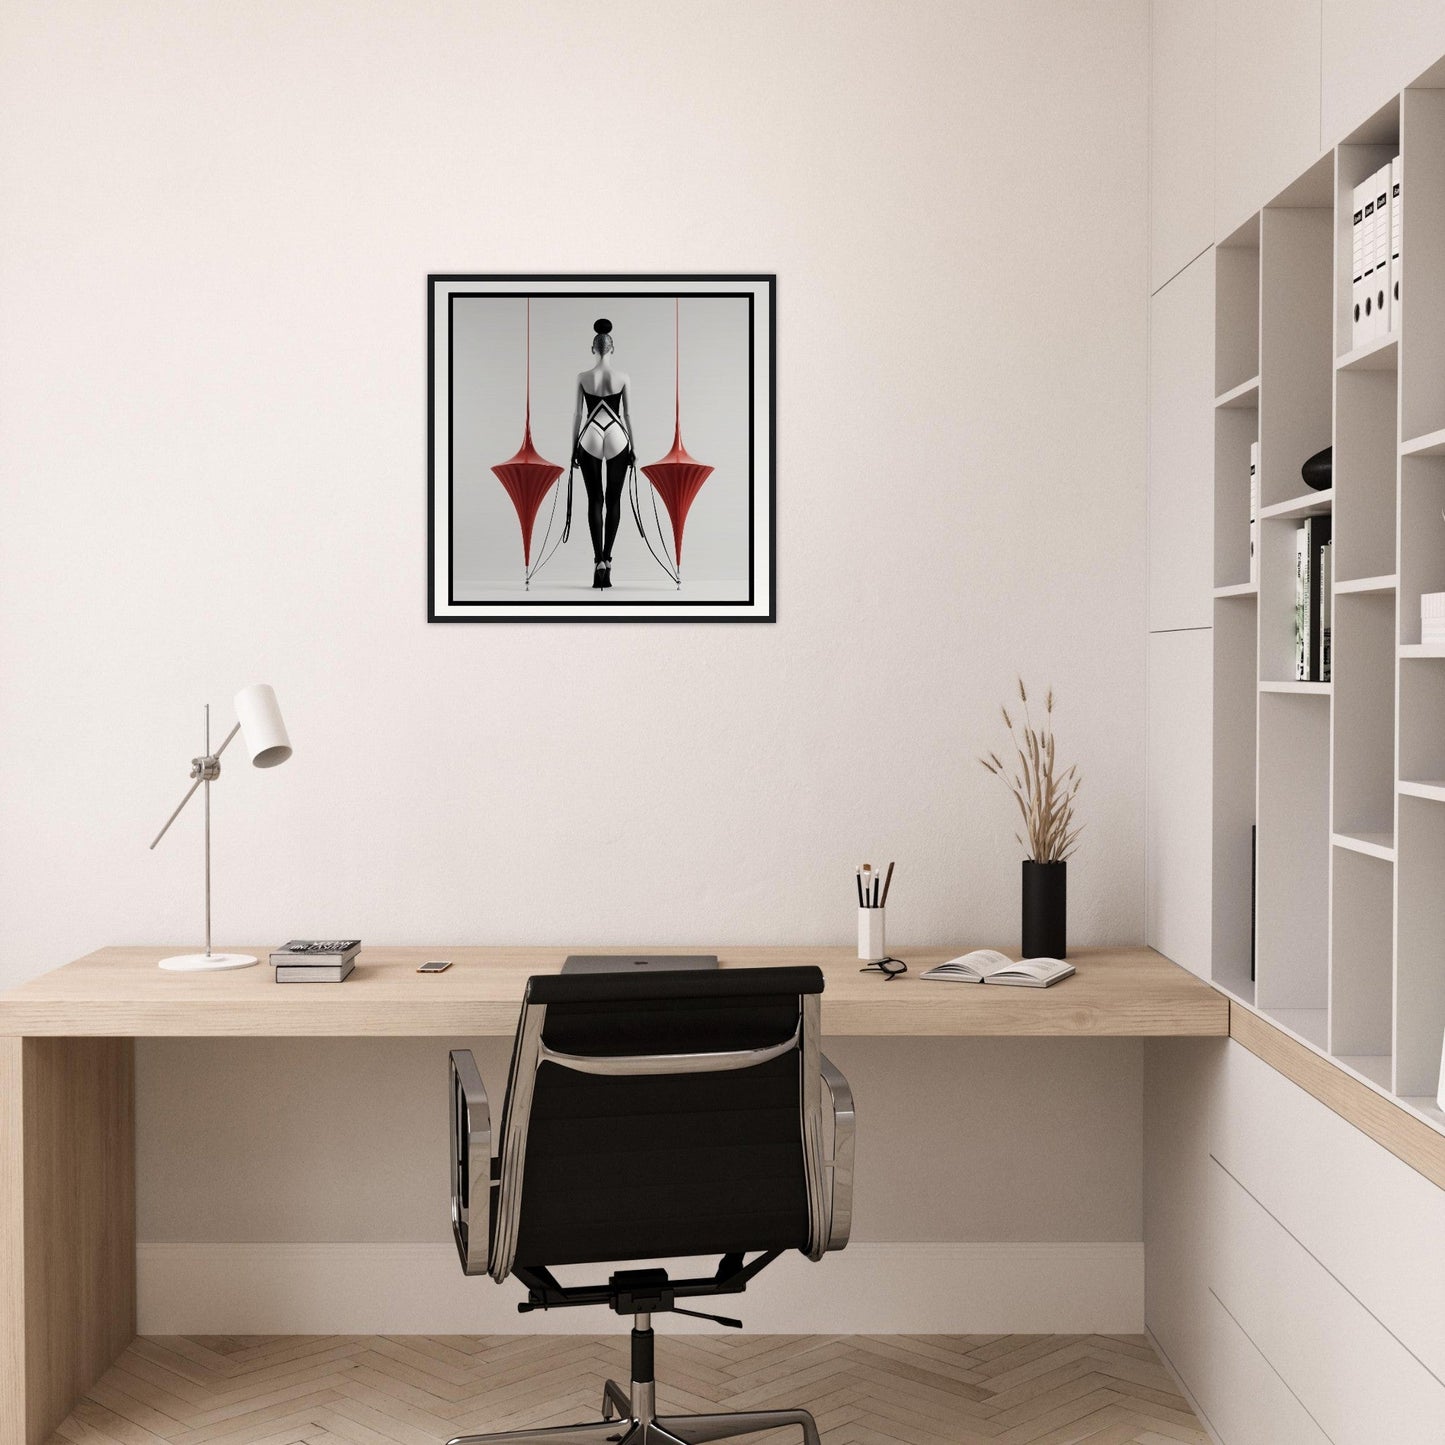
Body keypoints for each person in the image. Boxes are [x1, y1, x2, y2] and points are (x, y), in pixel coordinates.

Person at [568, 318, 635, 590]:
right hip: (617, 433)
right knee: (614, 500)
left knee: (595, 499)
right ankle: (608, 558)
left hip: (591, 434)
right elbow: (628, 414)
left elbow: (577, 414)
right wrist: (635, 448)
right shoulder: (622, 378)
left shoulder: (583, 377)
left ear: (592, 348)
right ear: (613, 348)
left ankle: (597, 562)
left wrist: (572, 447)